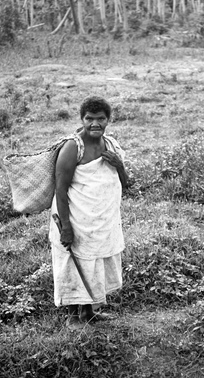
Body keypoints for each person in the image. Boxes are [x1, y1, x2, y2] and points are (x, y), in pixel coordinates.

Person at [49, 96, 128, 327]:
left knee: (94, 263)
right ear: (81, 119)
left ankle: (89, 313)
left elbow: (126, 183)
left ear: (109, 120)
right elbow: (60, 190)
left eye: (101, 119)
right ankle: (73, 317)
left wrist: (119, 164)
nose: (95, 124)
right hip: (75, 217)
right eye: (89, 119)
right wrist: (66, 227)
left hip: (102, 220)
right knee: (75, 263)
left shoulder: (111, 145)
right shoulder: (73, 147)